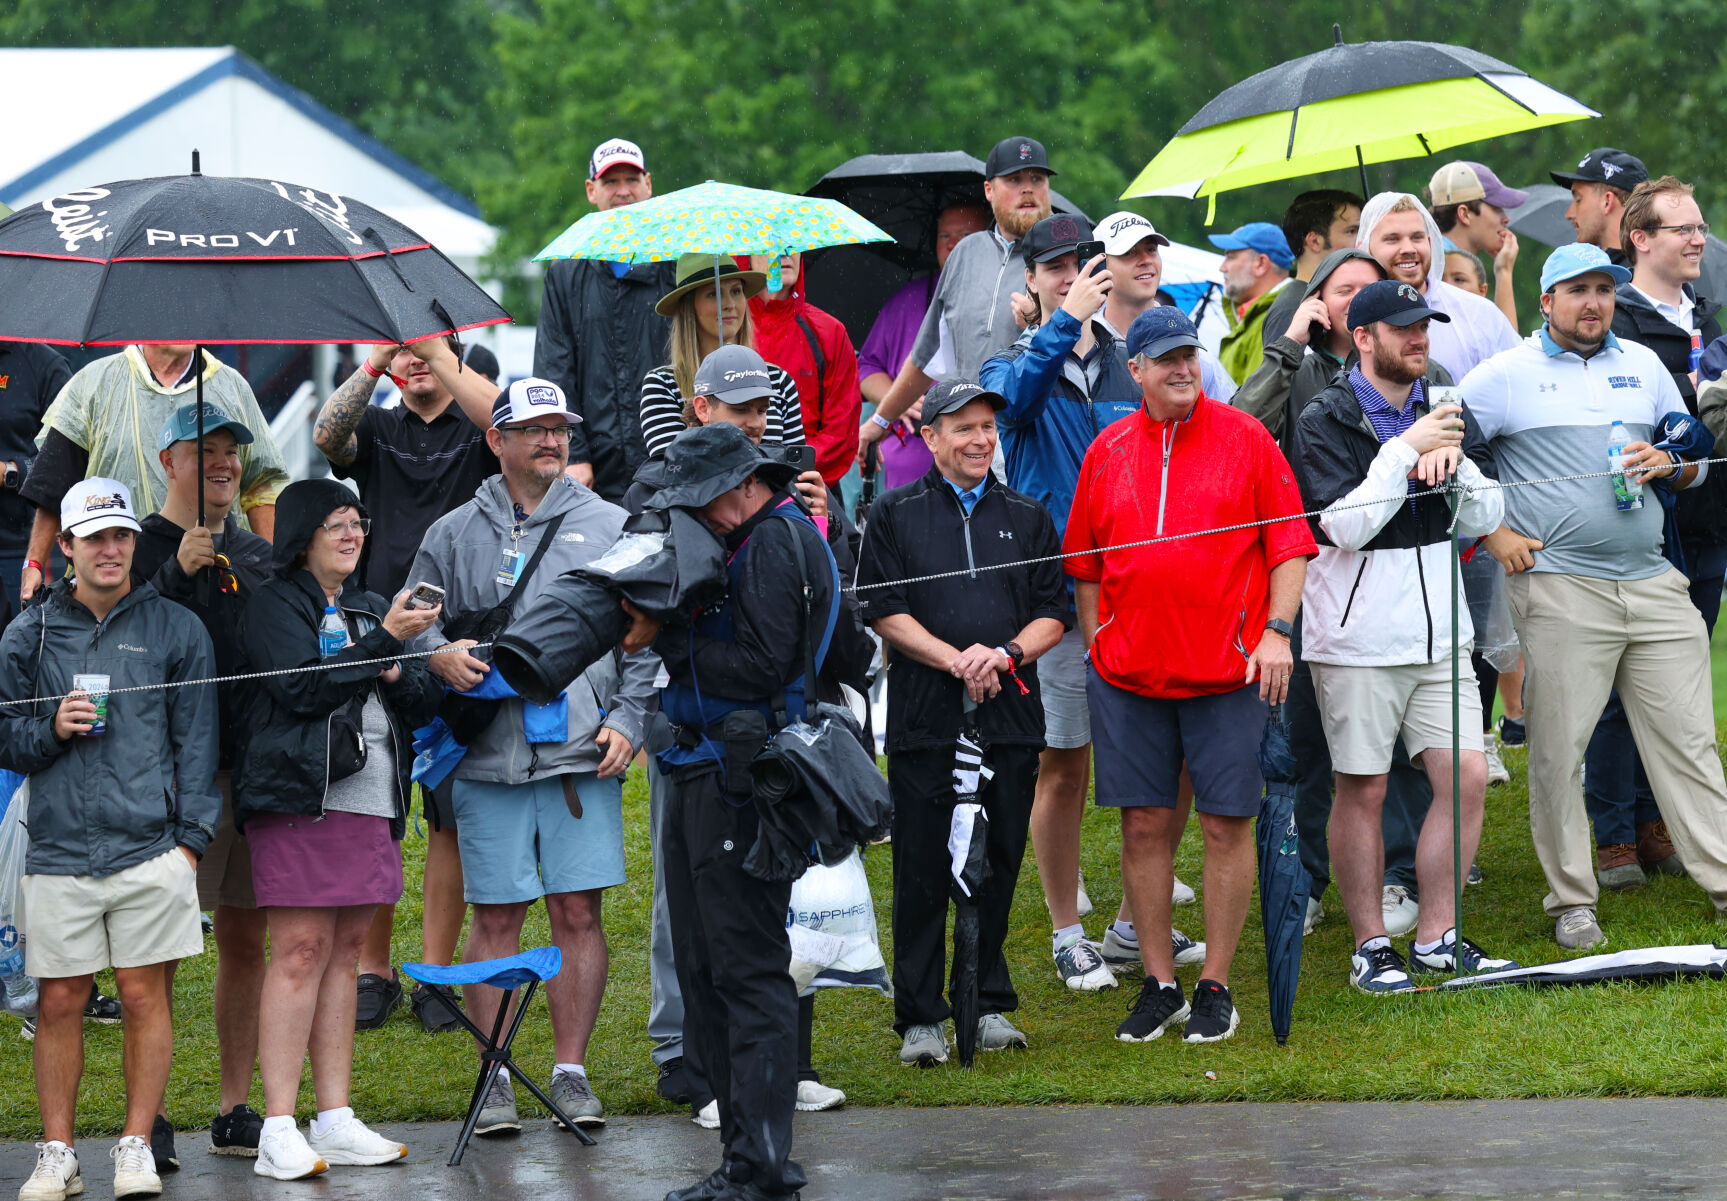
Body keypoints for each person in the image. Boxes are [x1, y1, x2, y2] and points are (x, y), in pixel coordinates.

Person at [404, 362, 658, 1136]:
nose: (552, 441)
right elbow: (410, 622)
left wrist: (629, 715)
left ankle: (571, 1072)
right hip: (487, 760)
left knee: (579, 912)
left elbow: (649, 632)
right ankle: (497, 1074)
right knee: (496, 917)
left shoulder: (613, 522)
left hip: (583, 756)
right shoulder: (450, 531)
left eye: (560, 430)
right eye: (535, 430)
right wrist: (438, 653)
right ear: (496, 439)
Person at [625, 344, 865, 1123]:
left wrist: (666, 634)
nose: (700, 514)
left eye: (707, 499)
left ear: (739, 485)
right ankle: (736, 1123)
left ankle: (757, 1141)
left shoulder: (773, 538)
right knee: (713, 948)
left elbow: (766, 661)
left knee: (746, 956)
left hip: (749, 766)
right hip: (711, 760)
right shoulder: (768, 531)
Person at [1463, 243, 1727, 950]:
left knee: (1690, 742)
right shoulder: (1503, 375)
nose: (1593, 302)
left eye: (1603, 290)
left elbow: (1692, 449)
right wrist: (1493, 530)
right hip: (1559, 587)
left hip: (1651, 579)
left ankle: (1724, 883)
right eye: (1575, 290)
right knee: (1556, 748)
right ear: (1545, 300)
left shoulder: (1640, 365)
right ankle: (1570, 900)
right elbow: (1446, 450)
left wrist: (1672, 460)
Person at [1063, 307, 1314, 1044]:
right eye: (1163, 359)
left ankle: (1215, 985)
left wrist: (1276, 631)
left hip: (1226, 672)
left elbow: (1289, 546)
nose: (1181, 368)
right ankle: (1158, 982)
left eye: (1188, 356)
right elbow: (1084, 564)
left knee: (1224, 822)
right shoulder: (1105, 449)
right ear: (1133, 370)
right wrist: (1095, 644)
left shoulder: (1246, 436)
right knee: (1142, 825)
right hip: (1127, 673)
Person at [980, 213, 1206, 988]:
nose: (1073, 275)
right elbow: (1009, 408)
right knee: (1064, 762)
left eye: (1082, 264)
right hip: (1055, 585)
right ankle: (1065, 928)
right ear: (1031, 280)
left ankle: (1129, 922)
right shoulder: (1013, 357)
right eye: (1055, 268)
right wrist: (1062, 323)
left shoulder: (1126, 360)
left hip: (1143, 582)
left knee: (1166, 754)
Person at [1293, 279, 1515, 992]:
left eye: (1424, 326)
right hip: (1354, 640)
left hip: (1441, 636)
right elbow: (1341, 526)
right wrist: (1400, 454)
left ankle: (1436, 934)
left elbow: (1485, 512)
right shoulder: (1324, 416)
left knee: (1467, 775)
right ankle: (1369, 945)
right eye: (1403, 328)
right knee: (1362, 788)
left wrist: (1457, 470)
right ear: (1362, 338)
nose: (1420, 339)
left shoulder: (1445, 406)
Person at [1, 478, 218, 1201]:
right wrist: (50, 729)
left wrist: (188, 842)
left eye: (121, 534)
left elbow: (199, 744)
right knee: (59, 1000)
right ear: (64, 546)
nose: (111, 548)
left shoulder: (176, 627)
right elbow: (7, 737)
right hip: (59, 846)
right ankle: (57, 1151)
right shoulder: (27, 632)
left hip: (152, 847)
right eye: (94, 537)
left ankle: (135, 1144)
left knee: (142, 994)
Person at [233, 478, 442, 1180]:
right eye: (336, 524)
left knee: (347, 952)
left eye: (359, 522)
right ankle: (278, 1126)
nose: (352, 534)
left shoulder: (369, 605)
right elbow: (295, 687)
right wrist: (380, 646)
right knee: (299, 949)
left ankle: (336, 1115)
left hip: (371, 797)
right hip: (300, 798)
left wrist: (395, 658)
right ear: (302, 535)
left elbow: (414, 694)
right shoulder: (272, 603)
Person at [856, 380, 1069, 1064]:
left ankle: (986, 1003)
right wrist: (955, 660)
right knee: (921, 863)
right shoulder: (894, 513)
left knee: (999, 859)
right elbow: (881, 608)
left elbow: (1053, 611)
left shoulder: (1027, 515)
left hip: (1007, 715)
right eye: (963, 428)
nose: (980, 439)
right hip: (926, 718)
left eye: (987, 427)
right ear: (930, 438)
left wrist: (1003, 654)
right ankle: (921, 1015)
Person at [1232, 249, 1443, 937]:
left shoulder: (1419, 379)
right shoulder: (1303, 374)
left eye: (1367, 289)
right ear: (1319, 304)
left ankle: (1399, 874)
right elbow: (1242, 424)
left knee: (1398, 758)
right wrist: (1286, 346)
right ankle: (1319, 873)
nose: (1356, 299)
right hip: (1315, 583)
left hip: (1403, 601)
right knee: (1312, 747)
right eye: (1342, 290)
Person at [312, 337, 498, 1033]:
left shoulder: (479, 426)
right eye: (403, 349)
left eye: (429, 347)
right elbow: (327, 435)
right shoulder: (381, 425)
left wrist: (441, 359)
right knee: (379, 813)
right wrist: (374, 364)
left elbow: (503, 421)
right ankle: (373, 970)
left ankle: (436, 975)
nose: (415, 359)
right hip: (380, 632)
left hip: (459, 636)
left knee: (446, 816)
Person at [128, 402, 276, 1163]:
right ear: (168, 461)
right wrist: (170, 574)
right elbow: (123, 643)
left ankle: (234, 1106)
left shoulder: (253, 553)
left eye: (231, 452)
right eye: (204, 449)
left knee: (246, 941)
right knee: (155, 948)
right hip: (167, 781)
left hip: (245, 775)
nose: (222, 463)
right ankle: (146, 1119)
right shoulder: (137, 547)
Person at [1580, 176, 1722, 892]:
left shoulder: (1710, 316)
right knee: (1615, 685)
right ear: (1639, 238)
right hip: (1640, 525)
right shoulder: (1620, 321)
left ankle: (1653, 819)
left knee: (1677, 683)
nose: (1698, 239)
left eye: (1699, 228)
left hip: (1709, 519)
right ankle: (1612, 834)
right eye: (1682, 229)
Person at [20, 344, 288, 602]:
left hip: (220, 574)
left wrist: (267, 573)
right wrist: (34, 563)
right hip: (116, 576)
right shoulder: (94, 383)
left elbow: (262, 486)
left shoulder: (232, 387)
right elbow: (53, 485)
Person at [856, 137, 1057, 463]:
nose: (1028, 189)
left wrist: (1041, 324)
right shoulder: (965, 253)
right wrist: (880, 420)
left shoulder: (1066, 255)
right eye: (1015, 180)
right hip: (968, 448)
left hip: (1039, 445)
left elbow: (1086, 353)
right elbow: (927, 356)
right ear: (989, 191)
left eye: (1037, 179)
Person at [533, 137, 677, 500]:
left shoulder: (679, 262)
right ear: (591, 190)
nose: (623, 192)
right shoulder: (566, 270)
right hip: (593, 471)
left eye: (632, 180)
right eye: (611, 182)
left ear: (649, 184)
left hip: (670, 459)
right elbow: (555, 367)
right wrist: (575, 452)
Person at [857, 202, 991, 488]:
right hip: (909, 460)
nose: (953, 244)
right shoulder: (906, 300)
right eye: (945, 236)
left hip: (982, 457)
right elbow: (867, 366)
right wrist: (897, 401)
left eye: (965, 236)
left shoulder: (1004, 299)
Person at [639, 255, 806, 458]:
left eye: (736, 291)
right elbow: (673, 471)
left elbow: (795, 467)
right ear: (686, 306)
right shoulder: (662, 385)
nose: (729, 304)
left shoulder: (778, 380)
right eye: (714, 294)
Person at [1356, 193, 1520, 383]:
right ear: (1364, 249)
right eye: (1392, 239)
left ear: (1430, 242)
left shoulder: (1480, 314)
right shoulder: (1344, 317)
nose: (1408, 249)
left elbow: (1519, 385)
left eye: (1417, 237)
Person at [743, 252, 862, 486]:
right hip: (734, 490)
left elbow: (840, 434)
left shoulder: (829, 332)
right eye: (771, 242)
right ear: (745, 255)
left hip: (807, 489)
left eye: (793, 242)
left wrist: (784, 473)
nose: (785, 252)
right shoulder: (725, 328)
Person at [1092, 211, 1236, 403]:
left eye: (1151, 249)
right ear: (1100, 265)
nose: (1146, 260)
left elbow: (1233, 421)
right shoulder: (1084, 343)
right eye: (1129, 252)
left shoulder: (1194, 353)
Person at [0, 340, 69, 615]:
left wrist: (10, 472)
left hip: (17, 552)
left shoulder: (44, 365)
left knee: (17, 654)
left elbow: (68, 461)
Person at [1258, 189, 1365, 357]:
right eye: (1351, 231)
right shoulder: (1291, 308)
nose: (1361, 240)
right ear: (1314, 241)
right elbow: (1281, 378)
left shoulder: (1325, 295)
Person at [1427, 161, 1526, 330]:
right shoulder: (1444, 270)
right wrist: (1504, 272)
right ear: (1464, 214)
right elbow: (1507, 348)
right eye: (1496, 208)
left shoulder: (1432, 256)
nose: (1505, 218)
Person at [1210, 221, 1293, 385]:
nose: (1222, 267)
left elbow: (1256, 404)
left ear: (1261, 264)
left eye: (1230, 257)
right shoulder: (1260, 318)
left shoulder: (1274, 321)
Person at [1552, 147, 1650, 265]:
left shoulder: (1632, 277)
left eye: (1578, 199)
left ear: (1607, 202)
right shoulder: (1655, 269)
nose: (1569, 214)